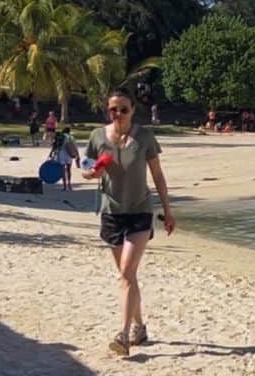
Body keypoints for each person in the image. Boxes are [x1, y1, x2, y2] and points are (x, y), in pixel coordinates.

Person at [82, 89, 175, 357]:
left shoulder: (144, 136)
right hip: (111, 212)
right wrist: (92, 173)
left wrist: (168, 212)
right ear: (107, 111)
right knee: (128, 276)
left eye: (124, 109)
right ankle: (139, 326)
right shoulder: (97, 136)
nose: (118, 114)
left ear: (133, 109)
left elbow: (157, 175)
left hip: (140, 212)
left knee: (125, 273)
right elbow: (87, 166)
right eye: (114, 109)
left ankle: (122, 335)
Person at [54, 126, 80, 191]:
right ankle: (69, 184)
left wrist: (53, 154)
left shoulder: (60, 136)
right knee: (68, 169)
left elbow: (56, 146)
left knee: (62, 170)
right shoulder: (71, 137)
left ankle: (64, 186)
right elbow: (75, 147)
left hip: (61, 153)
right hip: (69, 154)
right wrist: (77, 155)